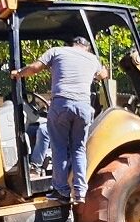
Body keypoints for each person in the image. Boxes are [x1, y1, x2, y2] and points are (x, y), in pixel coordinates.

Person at [11, 36, 108, 203]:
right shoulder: (92, 59)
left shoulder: (56, 51)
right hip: (84, 108)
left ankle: (61, 191)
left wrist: (18, 73)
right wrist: (102, 71)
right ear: (86, 47)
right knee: (79, 149)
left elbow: (34, 68)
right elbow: (103, 75)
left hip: (61, 104)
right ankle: (80, 192)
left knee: (60, 149)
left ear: (71, 45)